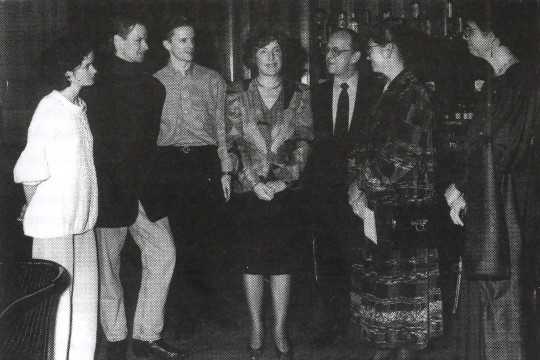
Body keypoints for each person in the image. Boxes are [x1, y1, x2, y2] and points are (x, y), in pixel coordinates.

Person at [445, 3, 540, 359]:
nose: (465, 36)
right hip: (497, 203)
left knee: (502, 303)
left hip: (507, 208)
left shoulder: (517, 82)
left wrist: (464, 189)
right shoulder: (504, 81)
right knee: (492, 301)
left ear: (494, 34)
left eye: (470, 29)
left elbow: (499, 149)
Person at [85, 13, 183, 359]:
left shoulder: (154, 87)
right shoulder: (92, 85)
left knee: (164, 253)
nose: (146, 45)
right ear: (117, 40)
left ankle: (146, 336)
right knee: (106, 269)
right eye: (138, 39)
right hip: (109, 192)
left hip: (145, 191)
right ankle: (114, 339)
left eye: (145, 39)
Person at [348, 23, 443, 360]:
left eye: (371, 50)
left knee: (403, 292)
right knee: (385, 290)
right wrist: (357, 187)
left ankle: (402, 352)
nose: (368, 57)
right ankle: (387, 348)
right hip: (381, 204)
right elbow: (363, 146)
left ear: (388, 50)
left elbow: (398, 159)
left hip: (406, 207)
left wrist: (362, 185)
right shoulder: (388, 89)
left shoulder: (414, 93)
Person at [226, 29, 313, 360]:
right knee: (252, 263)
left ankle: (279, 327)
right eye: (264, 51)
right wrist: (251, 180)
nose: (271, 58)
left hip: (285, 191)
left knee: (282, 262)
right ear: (253, 57)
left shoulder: (300, 94)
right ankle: (256, 326)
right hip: (249, 190)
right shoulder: (237, 94)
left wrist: (286, 180)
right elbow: (232, 143)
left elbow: (305, 140)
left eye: (276, 51)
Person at [13, 37, 98, 360]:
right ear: (68, 72)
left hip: (82, 220)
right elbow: (31, 170)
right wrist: (34, 206)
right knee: (58, 304)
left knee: (84, 300)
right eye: (86, 65)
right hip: (54, 224)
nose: (93, 70)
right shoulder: (49, 108)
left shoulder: (79, 107)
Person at [153, 16, 236, 338]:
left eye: (192, 40)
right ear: (167, 44)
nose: (190, 46)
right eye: (183, 40)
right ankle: (181, 313)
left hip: (204, 164)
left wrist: (225, 169)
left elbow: (222, 129)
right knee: (176, 241)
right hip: (170, 164)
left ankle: (212, 309)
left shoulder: (212, 79)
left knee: (208, 240)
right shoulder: (154, 81)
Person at [305, 28, 377, 348]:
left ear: (356, 56)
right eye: (328, 51)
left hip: (364, 190)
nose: (329, 57)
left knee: (365, 258)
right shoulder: (315, 94)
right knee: (330, 259)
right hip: (325, 194)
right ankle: (331, 324)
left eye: (338, 51)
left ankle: (367, 327)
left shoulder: (378, 90)